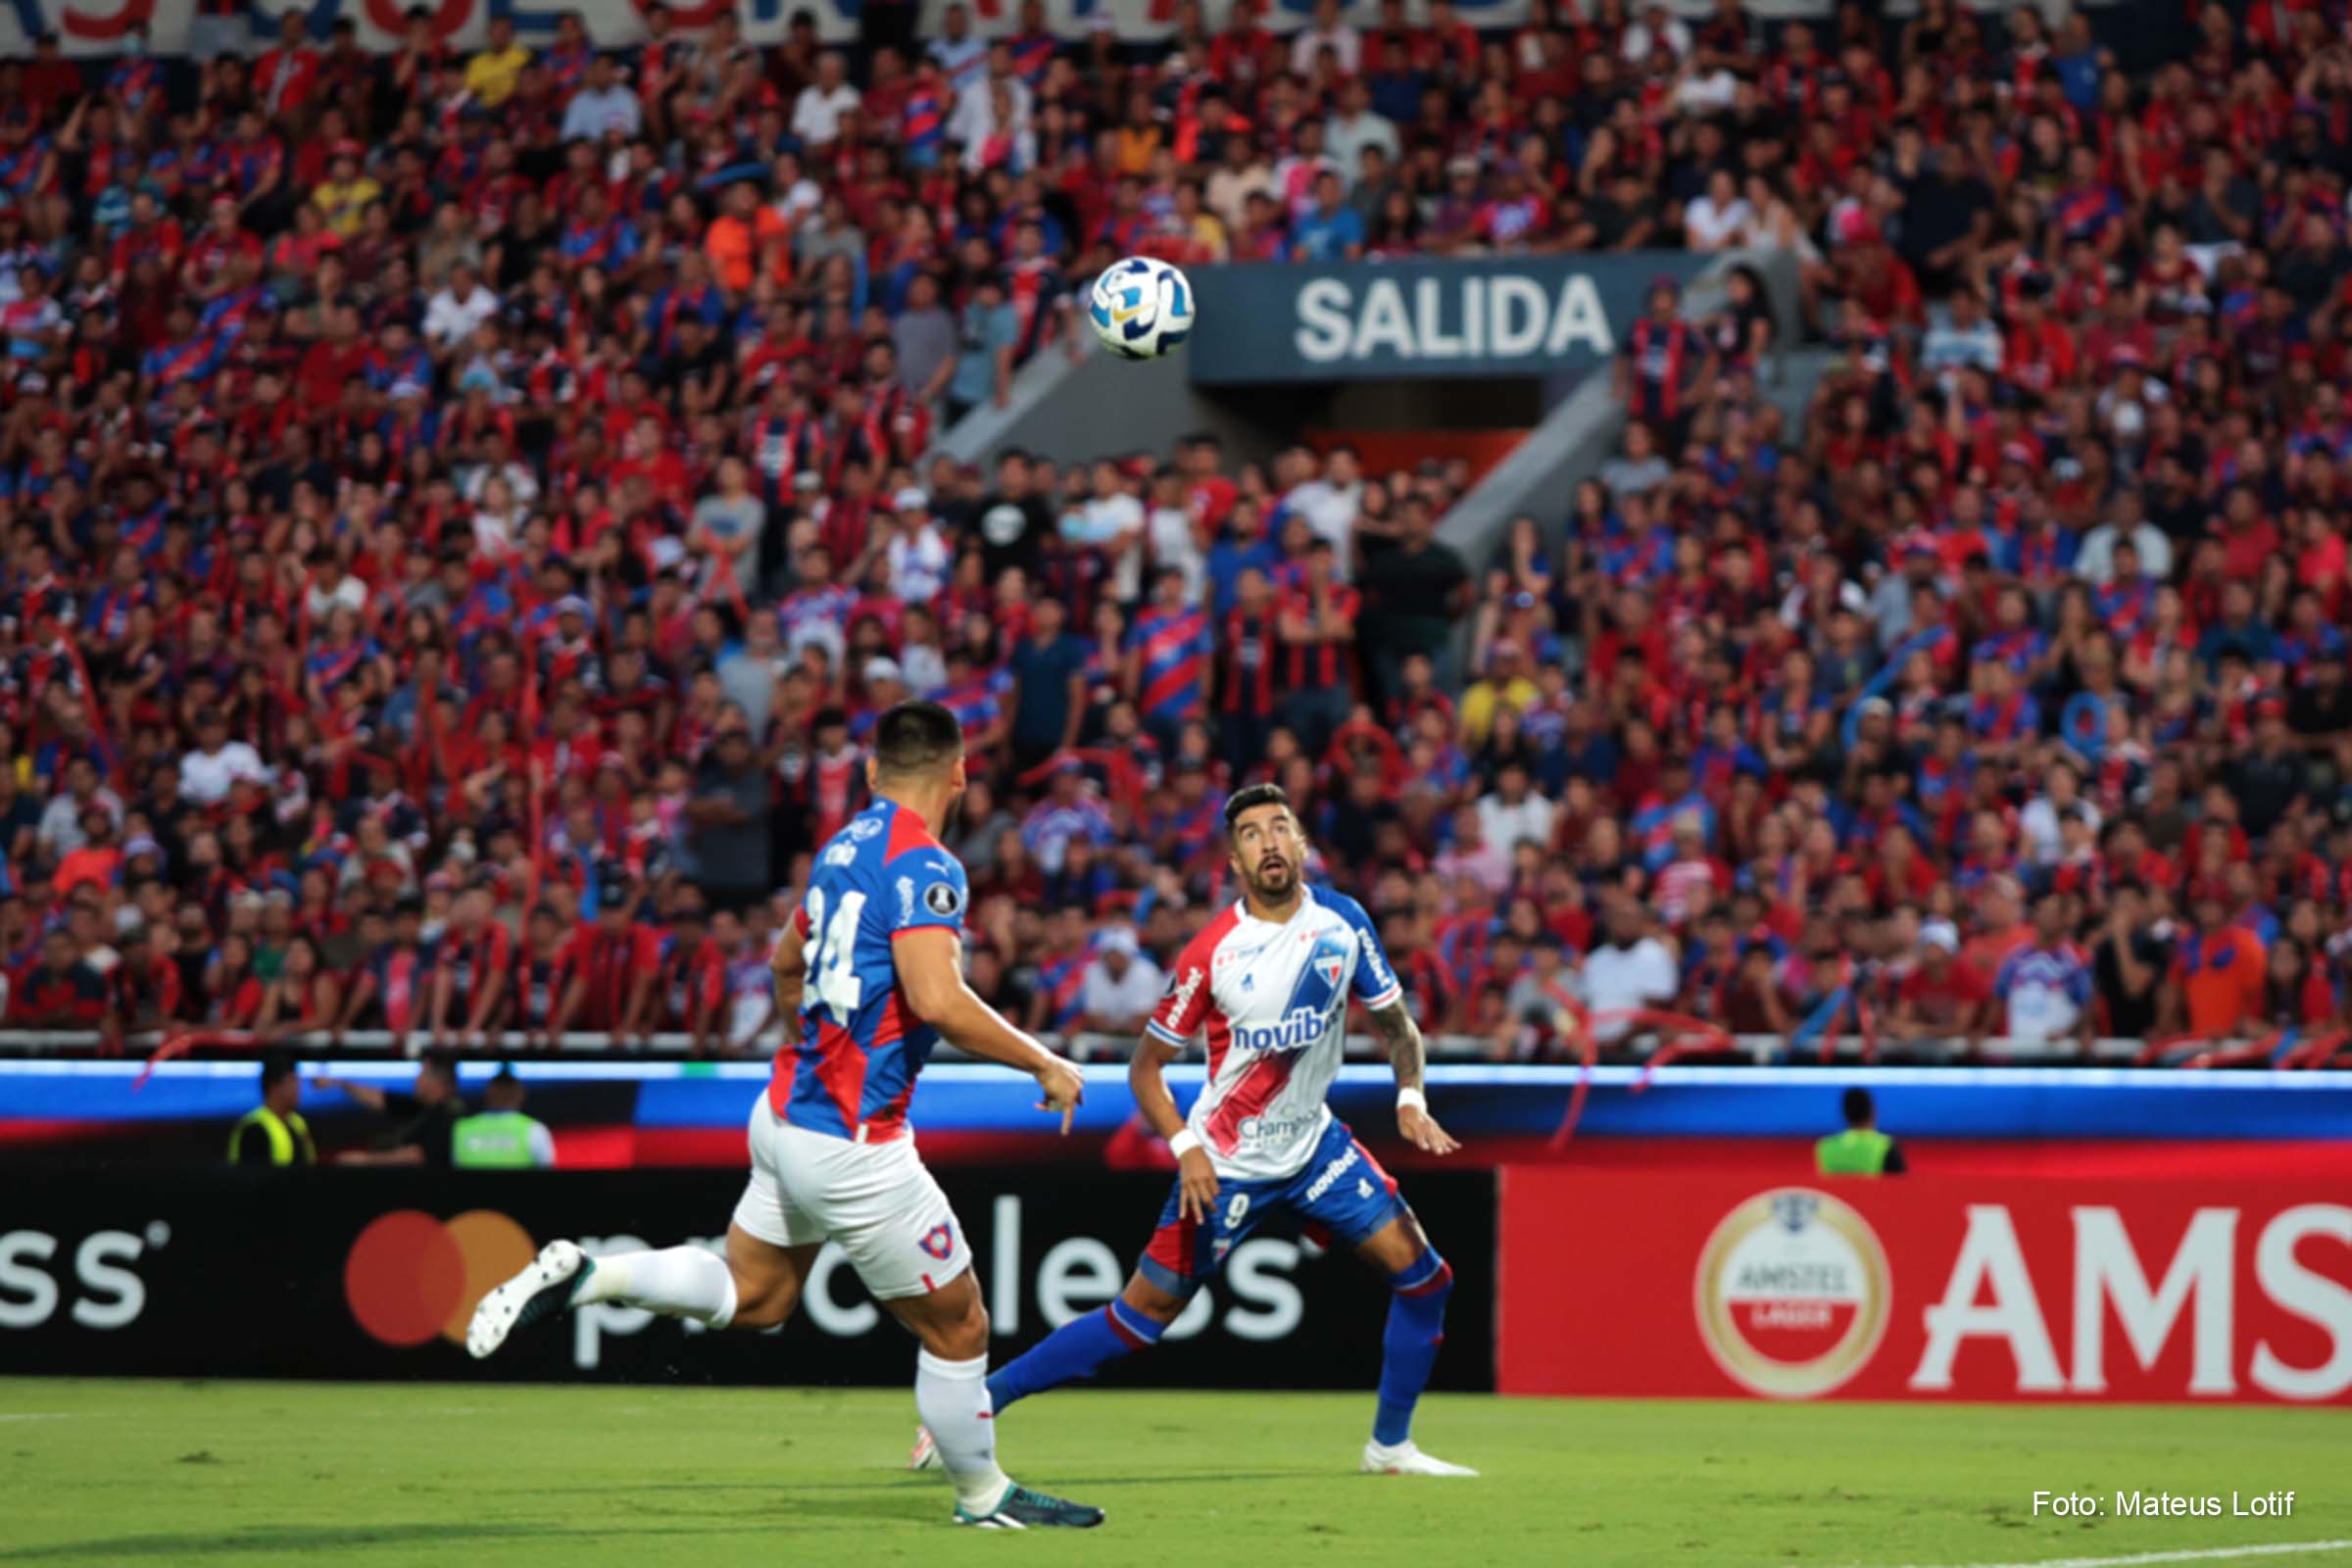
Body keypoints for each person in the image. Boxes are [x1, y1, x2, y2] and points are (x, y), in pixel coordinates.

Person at [466, 702, 1101, 1530]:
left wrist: (817, 1039)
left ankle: (593, 1275)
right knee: (960, 1324)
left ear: (871, 773)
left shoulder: (840, 850)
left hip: (784, 1115)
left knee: (756, 1295)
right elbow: (938, 1000)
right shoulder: (928, 866)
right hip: (856, 1144)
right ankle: (983, 1498)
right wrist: (1043, 1061)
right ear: (960, 774)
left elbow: (783, 960)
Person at [927, 782, 1475, 1478]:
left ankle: (1389, 1449)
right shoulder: (1212, 953)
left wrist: (1410, 1095)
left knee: (1427, 1280)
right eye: (1251, 834)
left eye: (1281, 827)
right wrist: (1186, 1148)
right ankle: (979, 1402)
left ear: (1301, 844)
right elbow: (1145, 1070)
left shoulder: (1344, 923)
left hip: (1315, 1150)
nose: (1269, 842)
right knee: (1138, 1320)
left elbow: (1399, 1026)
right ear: (1235, 862)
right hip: (1228, 1167)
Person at [313, 1055, 467, 1166]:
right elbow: (379, 1097)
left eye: (421, 1074)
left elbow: (419, 1155)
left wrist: (365, 1161)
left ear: (436, 1079)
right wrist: (338, 1082)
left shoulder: (451, 1114)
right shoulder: (424, 1106)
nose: (416, 1079)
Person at [450, 1067, 557, 1169]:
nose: (502, 1094)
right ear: (520, 1095)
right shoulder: (535, 1129)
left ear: (488, 1093)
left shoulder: (460, 1129)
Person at [228, 1055, 317, 1167]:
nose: (298, 1089)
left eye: (298, 1082)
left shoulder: (298, 1123)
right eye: (292, 1081)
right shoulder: (254, 1128)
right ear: (274, 1087)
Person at [1816, 1087, 1905, 1176]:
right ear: (1873, 1112)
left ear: (1845, 1114)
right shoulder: (1886, 1145)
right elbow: (1901, 1185)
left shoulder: (1825, 1146)